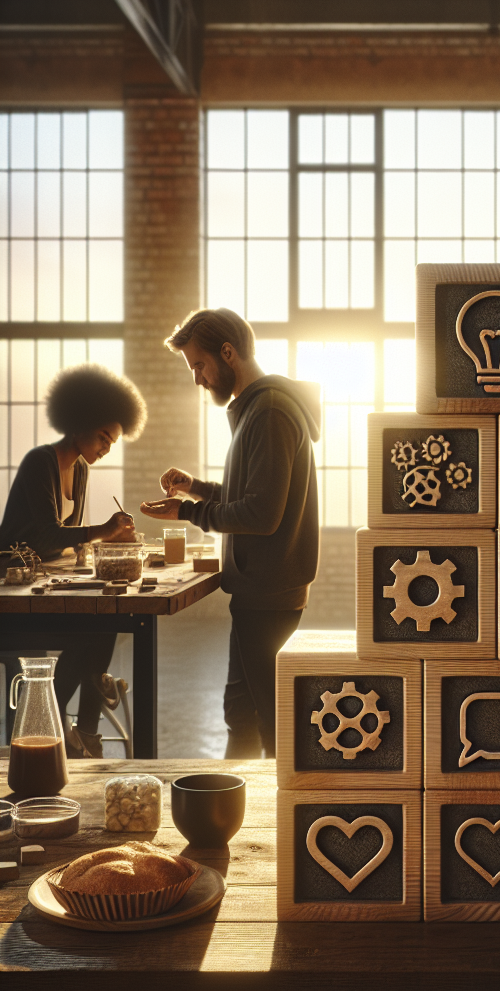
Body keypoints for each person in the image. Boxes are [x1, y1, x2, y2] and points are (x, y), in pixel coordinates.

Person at [140, 308, 321, 759]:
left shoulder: (271, 411)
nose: (198, 379)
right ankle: (234, 815)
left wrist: (189, 510)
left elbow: (261, 514)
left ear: (228, 352)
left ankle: (282, 820)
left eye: (199, 365)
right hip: (257, 589)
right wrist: (197, 488)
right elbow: (250, 494)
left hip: (269, 592)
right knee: (240, 713)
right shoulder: (256, 409)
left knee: (272, 723)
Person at [0, 363, 145, 755]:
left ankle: (83, 733)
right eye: (103, 437)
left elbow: (68, 543)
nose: (105, 447)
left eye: (112, 442)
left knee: (108, 621)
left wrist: (103, 543)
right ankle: (55, 722)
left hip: (41, 586)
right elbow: (49, 535)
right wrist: (104, 530)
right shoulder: (40, 462)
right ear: (80, 422)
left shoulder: (79, 470)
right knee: (97, 632)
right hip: (13, 595)